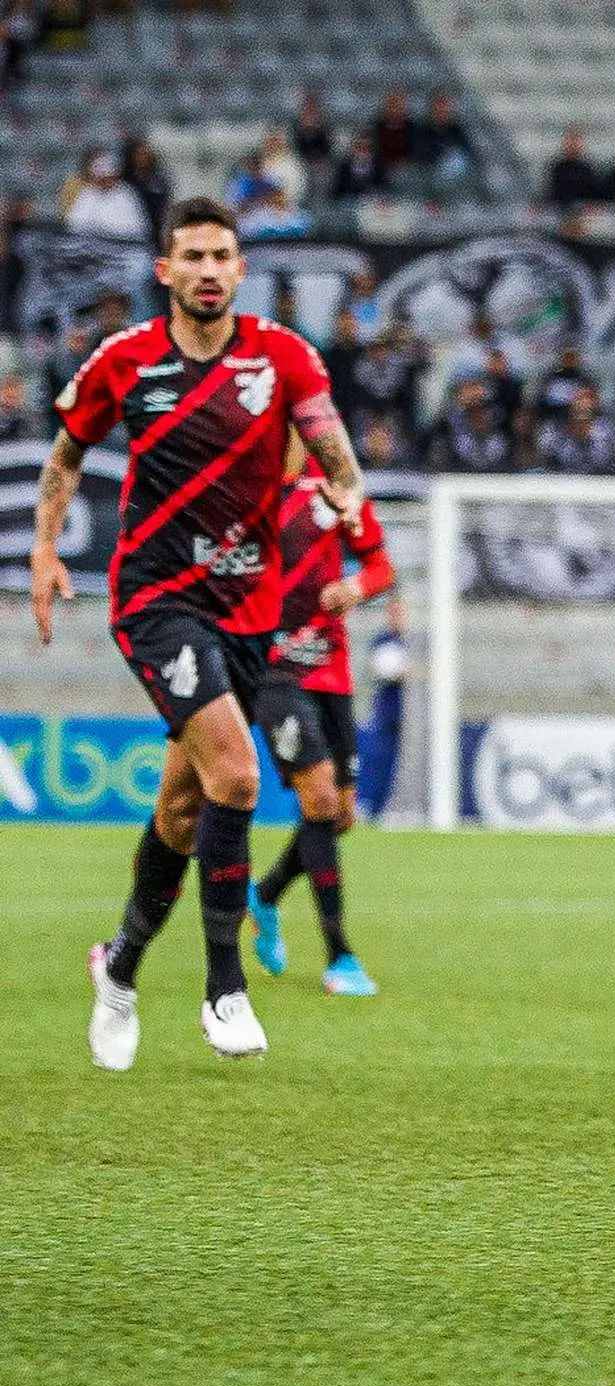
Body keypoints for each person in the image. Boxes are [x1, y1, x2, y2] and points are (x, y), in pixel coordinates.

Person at [29, 197, 367, 1071]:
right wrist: (41, 552)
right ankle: (225, 988)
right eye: (194, 256)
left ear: (241, 267)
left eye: (223, 254)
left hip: (249, 610)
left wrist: (344, 492)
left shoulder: (283, 355)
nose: (210, 269)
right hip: (155, 599)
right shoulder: (127, 359)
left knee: (184, 807)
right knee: (239, 773)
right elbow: (65, 455)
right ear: (165, 270)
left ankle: (121, 964)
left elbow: (335, 453)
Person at [245, 436, 393, 996]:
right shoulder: (246, 492)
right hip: (272, 669)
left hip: (330, 669)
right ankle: (341, 957)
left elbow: (380, 567)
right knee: (321, 799)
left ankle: (265, 894)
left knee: (341, 814)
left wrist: (354, 586)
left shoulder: (333, 489)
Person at [64, 152, 150, 241]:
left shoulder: (127, 194)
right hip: (91, 244)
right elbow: (74, 224)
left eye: (108, 178)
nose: (104, 181)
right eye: (100, 177)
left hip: (121, 245)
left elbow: (136, 230)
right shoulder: (88, 192)